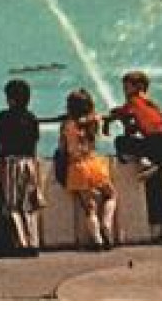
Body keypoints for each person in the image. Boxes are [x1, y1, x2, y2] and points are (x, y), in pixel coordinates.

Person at [104, 71, 162, 244]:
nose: (124, 89)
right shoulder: (149, 103)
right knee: (156, 187)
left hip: (153, 144)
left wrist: (107, 122)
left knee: (121, 142)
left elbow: (122, 114)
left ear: (138, 87)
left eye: (127, 86)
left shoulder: (134, 102)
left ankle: (145, 161)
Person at [0, 79, 43, 257]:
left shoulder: (4, 116)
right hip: (29, 162)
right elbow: (35, 142)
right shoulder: (32, 118)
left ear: (10, 99)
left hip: (11, 162)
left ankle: (22, 243)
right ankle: (34, 242)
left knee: (12, 205)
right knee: (29, 204)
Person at [61, 89, 118, 249]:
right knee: (111, 195)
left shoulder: (67, 124)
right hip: (94, 163)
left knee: (89, 207)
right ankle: (106, 223)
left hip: (77, 166)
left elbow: (63, 147)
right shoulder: (94, 121)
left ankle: (97, 240)